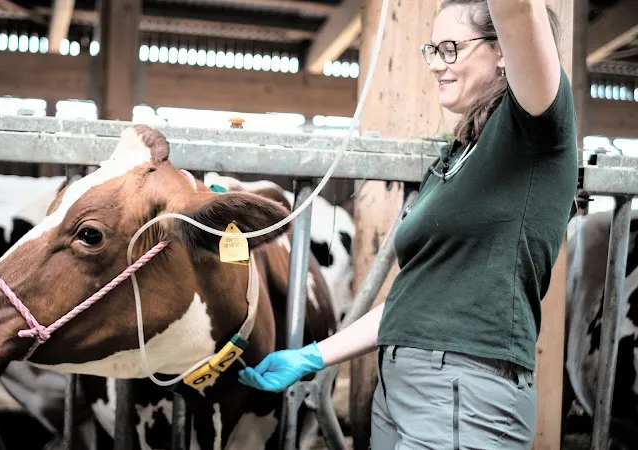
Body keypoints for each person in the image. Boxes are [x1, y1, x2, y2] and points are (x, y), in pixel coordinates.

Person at [238, 0, 578, 448]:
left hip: (465, 390)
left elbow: (517, 11)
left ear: (502, 51)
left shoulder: (533, 126)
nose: (437, 64)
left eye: (451, 49)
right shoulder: (459, 156)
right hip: (400, 389)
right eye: (432, 50)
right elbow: (415, 300)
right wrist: (314, 355)